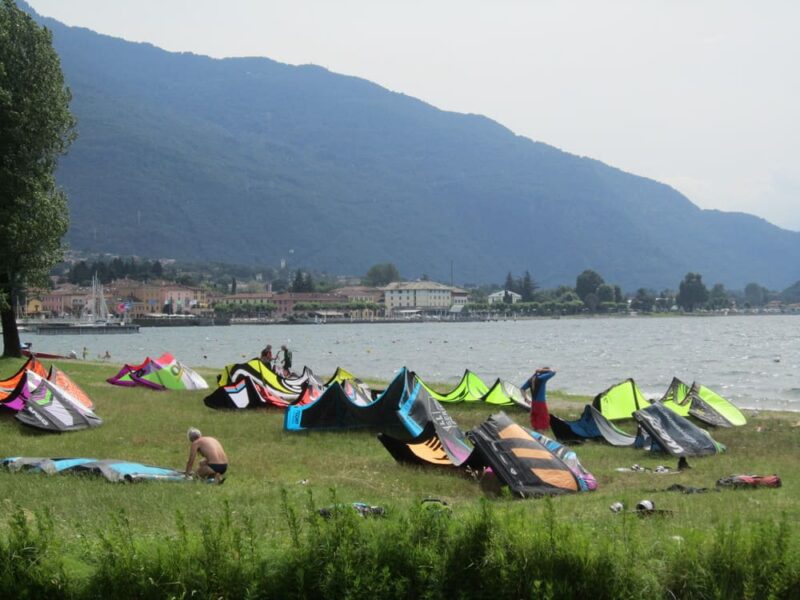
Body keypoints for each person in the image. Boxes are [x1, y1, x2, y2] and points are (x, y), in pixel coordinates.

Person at [520, 367, 556, 432]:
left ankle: (535, 439)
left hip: (533, 405)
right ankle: (540, 440)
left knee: (535, 424)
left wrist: (526, 399)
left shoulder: (531, 379)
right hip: (541, 404)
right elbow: (553, 372)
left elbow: (522, 389)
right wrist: (543, 370)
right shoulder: (541, 378)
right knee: (542, 424)